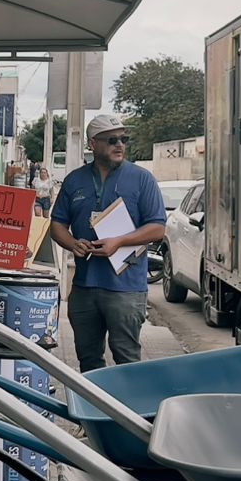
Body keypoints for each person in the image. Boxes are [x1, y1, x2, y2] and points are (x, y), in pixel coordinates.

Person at [50, 113, 167, 372]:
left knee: (126, 360)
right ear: (93, 144)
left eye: (124, 139)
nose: (120, 145)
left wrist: (120, 241)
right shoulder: (75, 180)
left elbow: (158, 228)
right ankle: (92, 411)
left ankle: (126, 412)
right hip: (84, 286)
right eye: (112, 139)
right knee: (89, 361)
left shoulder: (141, 179)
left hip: (125, 289)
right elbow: (57, 225)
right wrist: (72, 244)